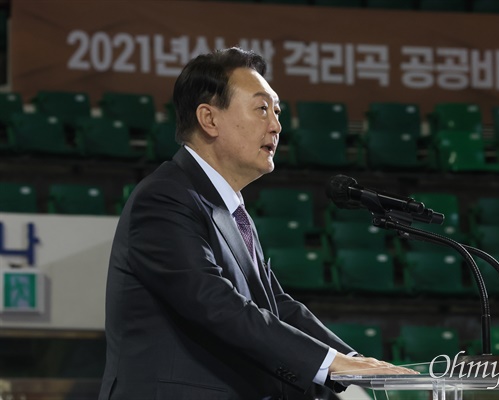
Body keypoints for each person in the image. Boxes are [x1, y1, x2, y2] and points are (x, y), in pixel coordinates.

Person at [99, 47, 417, 400]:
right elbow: (215, 303)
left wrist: (354, 365)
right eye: (262, 108)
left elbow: (276, 305)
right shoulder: (164, 197)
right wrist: (332, 365)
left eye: (276, 111)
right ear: (209, 119)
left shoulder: (231, 208)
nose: (277, 125)